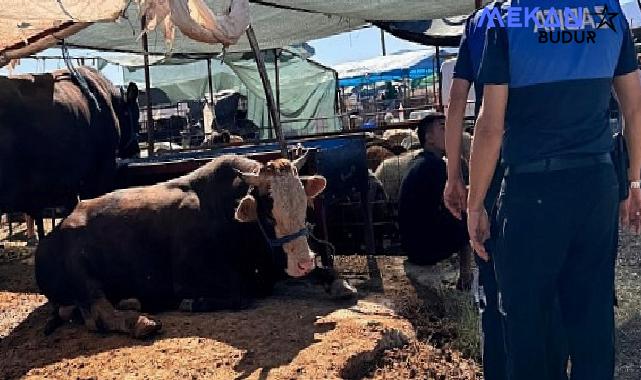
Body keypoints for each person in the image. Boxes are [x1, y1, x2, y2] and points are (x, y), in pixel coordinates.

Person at [467, 2, 641, 379]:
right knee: (592, 320)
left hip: (532, 191)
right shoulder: (608, 11)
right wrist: (635, 180)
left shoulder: (508, 17)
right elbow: (634, 107)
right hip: (595, 184)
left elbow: (490, 125)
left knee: (527, 326)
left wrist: (475, 204)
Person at [398, 113, 472, 289]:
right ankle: (466, 277)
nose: (450, 133)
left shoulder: (421, 162)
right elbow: (458, 201)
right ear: (429, 138)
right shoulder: (435, 166)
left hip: (412, 246)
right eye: (443, 128)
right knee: (469, 217)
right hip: (425, 249)